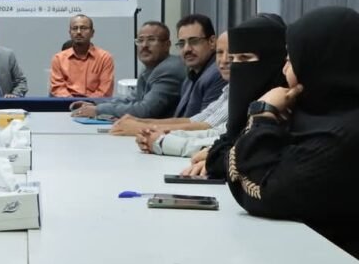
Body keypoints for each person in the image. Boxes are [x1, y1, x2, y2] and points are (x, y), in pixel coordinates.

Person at [215, 7, 359, 264]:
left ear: (321, 65)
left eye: (291, 61)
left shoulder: (349, 137)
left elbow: (262, 191)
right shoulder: (324, 120)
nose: (284, 71)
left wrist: (263, 114)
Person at [181, 14, 288, 176]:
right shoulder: (239, 92)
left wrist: (221, 160)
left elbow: (259, 159)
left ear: (272, 59)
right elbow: (231, 138)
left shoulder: (287, 106)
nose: (235, 66)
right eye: (233, 58)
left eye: (245, 57)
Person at [110, 31, 230, 137]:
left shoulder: (171, 69)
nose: (224, 60)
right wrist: (139, 122)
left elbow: (208, 127)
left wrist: (141, 128)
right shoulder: (224, 88)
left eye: (194, 41)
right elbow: (195, 120)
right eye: (220, 52)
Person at [70, 21, 184, 119]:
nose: (144, 45)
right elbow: (132, 99)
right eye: (140, 40)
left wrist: (98, 110)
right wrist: (95, 104)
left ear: (167, 45)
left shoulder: (168, 69)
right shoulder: (150, 68)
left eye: (151, 40)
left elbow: (145, 110)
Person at [171, 14, 224, 117]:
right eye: (182, 43)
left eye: (194, 41)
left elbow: (202, 122)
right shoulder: (189, 78)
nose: (187, 49)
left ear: (212, 42)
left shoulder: (219, 73)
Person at [49, 14, 115, 97]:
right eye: (74, 28)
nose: (79, 32)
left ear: (92, 33)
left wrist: (88, 103)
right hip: (66, 103)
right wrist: (73, 102)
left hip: (95, 103)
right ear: (70, 33)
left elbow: (105, 90)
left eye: (83, 28)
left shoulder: (105, 58)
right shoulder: (58, 59)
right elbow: (58, 88)